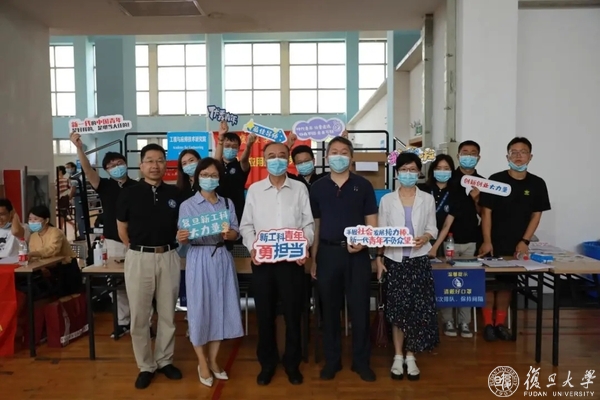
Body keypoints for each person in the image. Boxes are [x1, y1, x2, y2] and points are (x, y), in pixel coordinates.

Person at [239, 141, 314, 386]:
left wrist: (304, 245)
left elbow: (308, 225)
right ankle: (267, 363)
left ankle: (292, 364)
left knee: (293, 314)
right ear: (264, 160)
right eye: (272, 156)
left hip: (292, 262)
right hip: (263, 263)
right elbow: (246, 226)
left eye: (282, 155)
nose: (277, 159)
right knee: (264, 315)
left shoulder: (299, 189)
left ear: (288, 159)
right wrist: (253, 247)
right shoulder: (255, 190)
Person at [309, 136, 378, 382]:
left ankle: (361, 362)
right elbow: (315, 226)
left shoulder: (364, 185)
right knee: (329, 311)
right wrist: (314, 259)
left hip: (357, 257)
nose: (339, 156)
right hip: (328, 254)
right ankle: (333, 361)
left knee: (360, 310)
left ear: (351, 157)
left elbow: (372, 223)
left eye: (344, 152)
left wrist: (365, 242)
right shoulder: (317, 187)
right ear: (327, 157)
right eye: (334, 152)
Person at [116, 143, 183, 389]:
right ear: (141, 165)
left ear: (166, 165)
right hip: (139, 257)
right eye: (150, 160)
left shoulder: (175, 194)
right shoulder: (129, 193)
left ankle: (165, 360)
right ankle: (145, 365)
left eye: (160, 160)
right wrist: (138, 250)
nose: (155, 165)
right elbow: (122, 229)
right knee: (139, 316)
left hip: (169, 256)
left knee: (167, 313)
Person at [176, 157, 243, 387]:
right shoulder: (188, 205)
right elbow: (183, 238)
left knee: (220, 308)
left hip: (222, 257)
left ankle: (213, 360)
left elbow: (236, 231)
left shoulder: (227, 203)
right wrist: (182, 237)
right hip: (199, 257)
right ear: (196, 178)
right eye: (205, 175)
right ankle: (202, 362)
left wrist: (231, 235)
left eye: (214, 175)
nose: (209, 179)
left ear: (220, 178)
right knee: (199, 309)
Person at [478, 137, 551, 342]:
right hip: (492, 241)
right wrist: (487, 240)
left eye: (523, 152)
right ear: (507, 156)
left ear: (530, 156)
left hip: (516, 244)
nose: (519, 156)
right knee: (488, 284)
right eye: (514, 152)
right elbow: (486, 213)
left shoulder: (537, 184)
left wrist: (524, 241)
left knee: (506, 285)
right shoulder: (495, 180)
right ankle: (488, 324)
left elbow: (536, 215)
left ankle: (500, 323)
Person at [376, 152, 439, 381]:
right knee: (397, 310)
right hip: (395, 261)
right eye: (404, 169)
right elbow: (381, 232)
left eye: (413, 169)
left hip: (418, 260)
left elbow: (433, 227)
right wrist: (379, 258)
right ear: (397, 173)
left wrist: (426, 237)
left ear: (419, 172)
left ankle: (411, 356)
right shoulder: (387, 200)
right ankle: (398, 355)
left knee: (417, 310)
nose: (408, 173)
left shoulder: (427, 199)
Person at [70, 132, 140, 339]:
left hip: (136, 241)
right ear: (107, 170)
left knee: (139, 285)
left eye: (119, 163)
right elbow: (87, 170)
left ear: (126, 164)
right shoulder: (105, 186)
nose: (116, 167)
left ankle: (143, 324)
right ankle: (123, 322)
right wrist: (79, 148)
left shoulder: (138, 187)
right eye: (111, 166)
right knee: (115, 284)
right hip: (112, 241)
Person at [27, 205, 81, 296]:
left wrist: (32, 254)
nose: (32, 222)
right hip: (45, 268)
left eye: (35, 219)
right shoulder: (33, 237)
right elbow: (35, 258)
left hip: (65, 268)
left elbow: (52, 250)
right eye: (30, 219)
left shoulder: (56, 232)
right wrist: (42, 268)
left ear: (46, 220)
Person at [214, 120, 256, 224]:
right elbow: (216, 161)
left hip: (237, 211)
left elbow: (244, 160)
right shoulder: (216, 166)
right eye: (227, 145)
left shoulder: (240, 166)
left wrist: (248, 146)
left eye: (234, 146)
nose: (230, 148)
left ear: (238, 149)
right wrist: (221, 137)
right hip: (217, 211)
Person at [66, 161, 85, 240]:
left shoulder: (75, 176)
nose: (67, 169)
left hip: (78, 197)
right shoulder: (73, 176)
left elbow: (73, 189)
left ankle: (82, 235)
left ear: (73, 168)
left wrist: (68, 199)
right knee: (79, 216)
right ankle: (82, 233)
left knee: (80, 217)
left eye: (68, 167)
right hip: (78, 197)